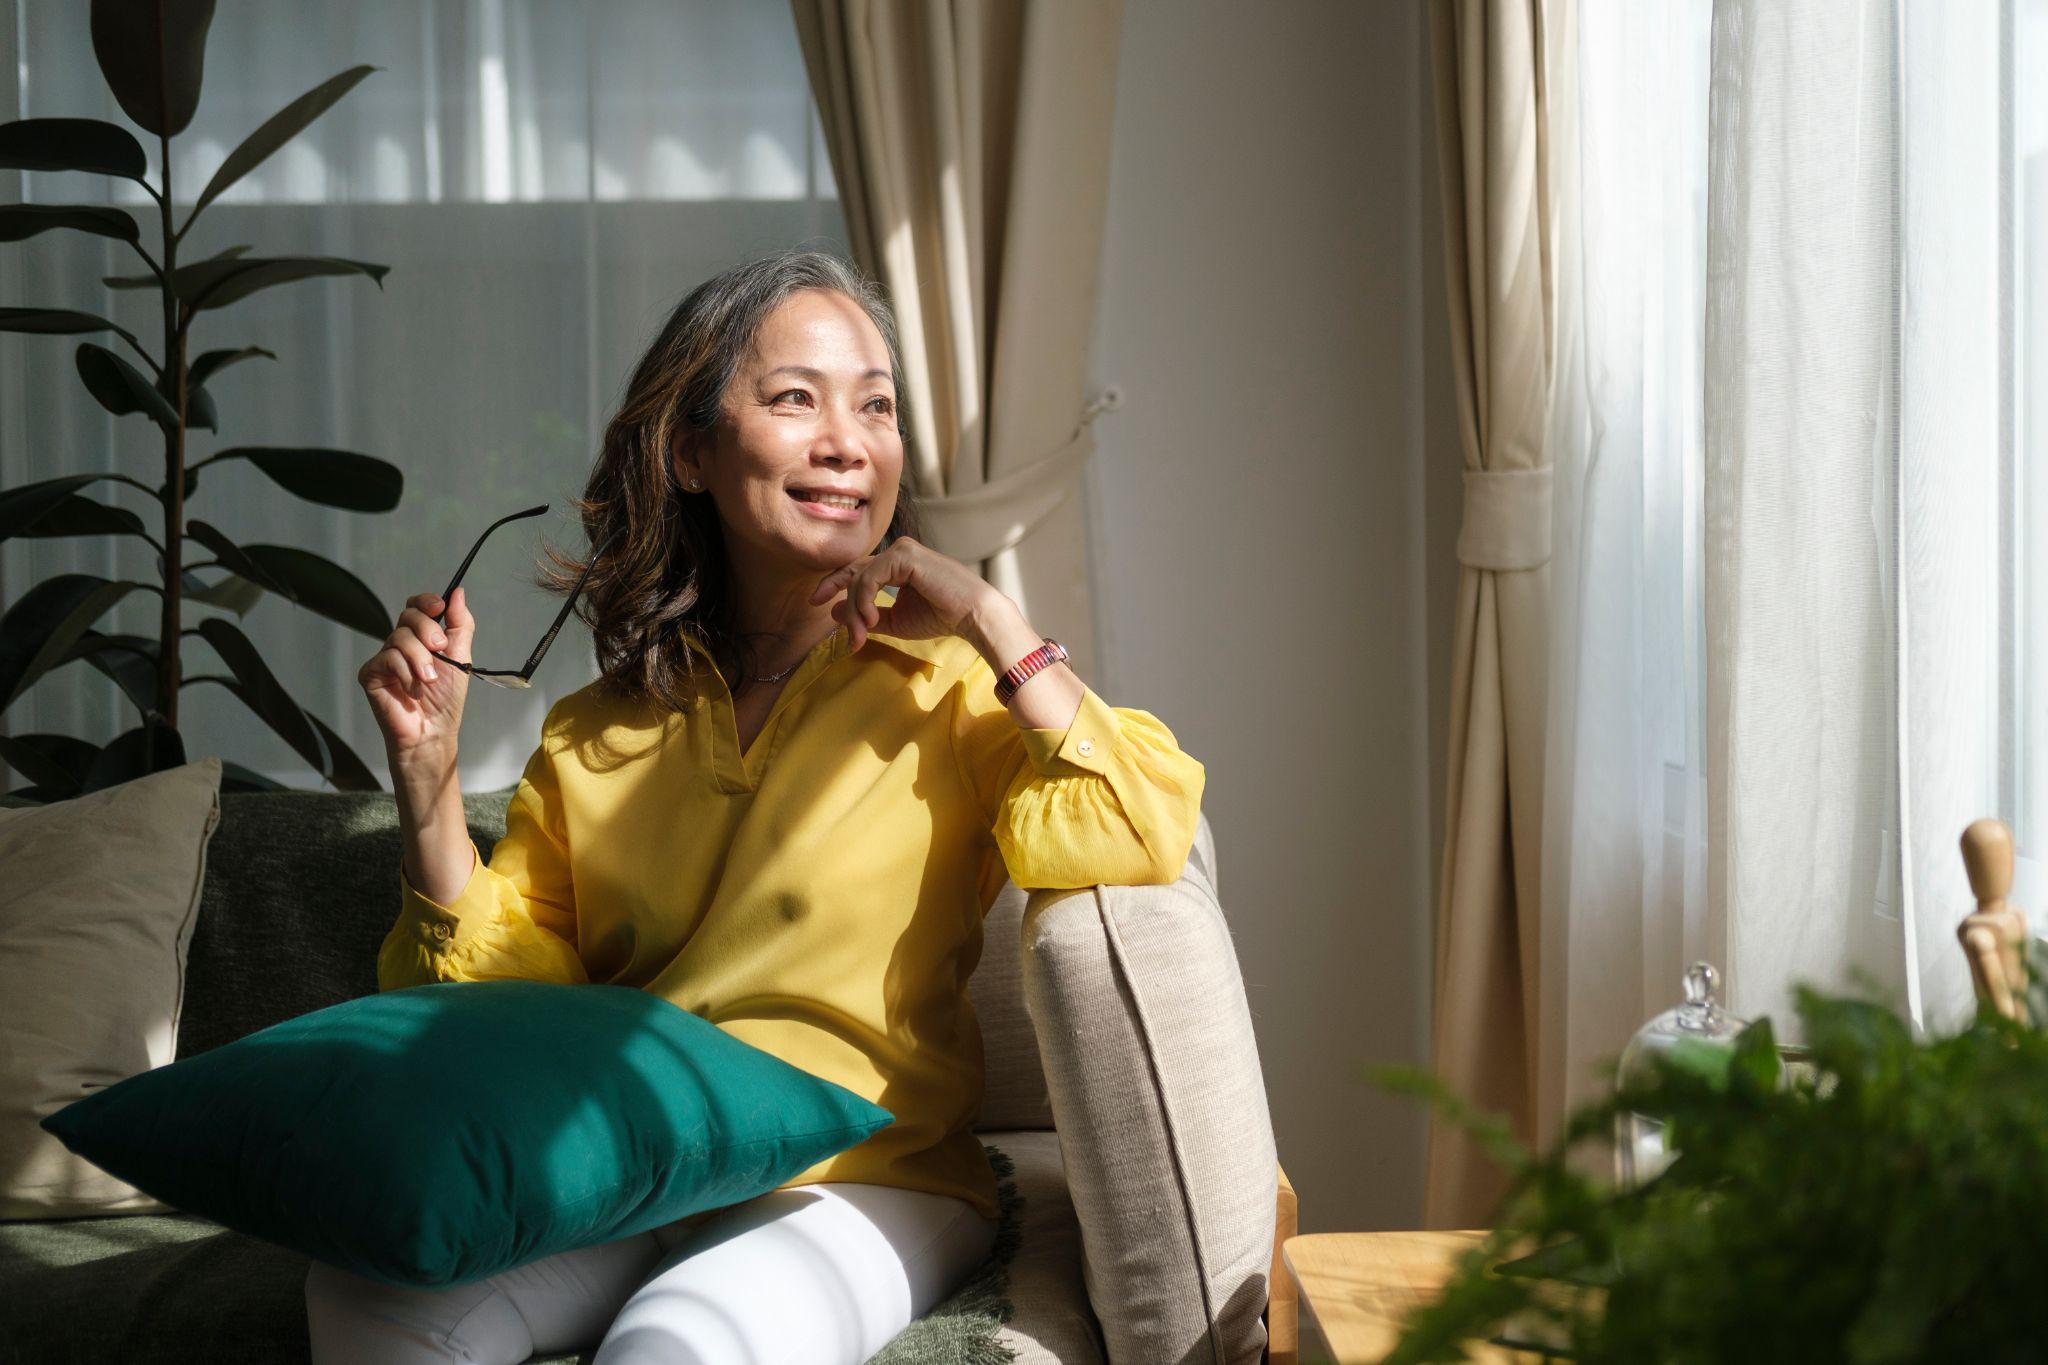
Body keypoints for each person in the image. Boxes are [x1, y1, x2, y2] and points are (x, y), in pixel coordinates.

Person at [307, 248, 1207, 1363]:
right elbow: (505, 1012)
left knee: (679, 1348)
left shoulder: (956, 692)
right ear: (690, 452)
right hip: (634, 1160)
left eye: (874, 407)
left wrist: (988, 615)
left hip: (859, 1181)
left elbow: (1139, 828)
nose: (847, 441)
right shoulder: (597, 729)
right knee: (374, 1297)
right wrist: (428, 777)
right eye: (795, 400)